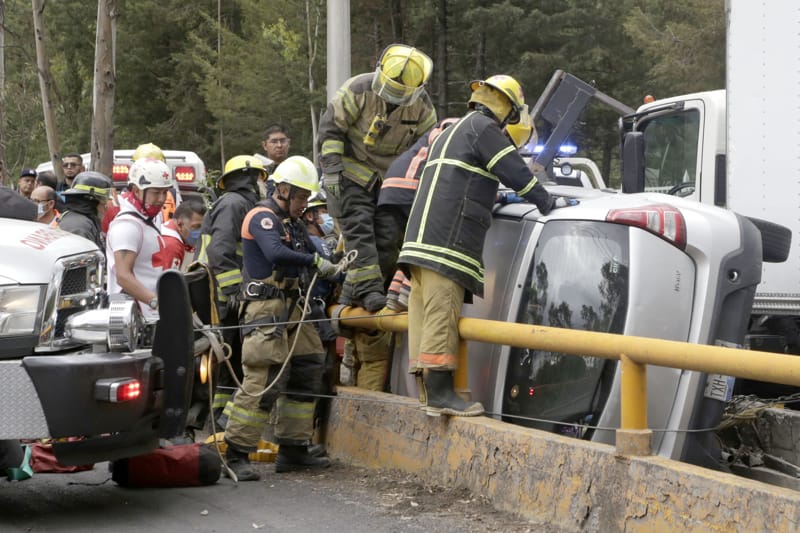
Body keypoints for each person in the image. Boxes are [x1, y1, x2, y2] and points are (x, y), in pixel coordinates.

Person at [398, 74, 576, 417]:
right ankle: (440, 397)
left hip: (418, 245)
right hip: (445, 246)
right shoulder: (484, 129)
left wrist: (493, 196)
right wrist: (548, 202)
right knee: (440, 319)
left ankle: (426, 394)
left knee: (421, 320)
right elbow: (515, 170)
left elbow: (461, 181)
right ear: (508, 106)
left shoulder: (450, 132)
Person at [317, 43, 437, 392]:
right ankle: (369, 292)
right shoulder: (357, 90)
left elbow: (429, 146)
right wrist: (333, 170)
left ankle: (366, 289)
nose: (396, 100)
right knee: (359, 232)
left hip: (391, 180)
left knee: (387, 237)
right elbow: (330, 130)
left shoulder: (423, 108)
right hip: (352, 172)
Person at [222, 156, 339, 480]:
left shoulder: (292, 222)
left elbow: (309, 253)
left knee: (308, 365)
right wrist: (316, 262)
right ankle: (236, 452)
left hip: (293, 306)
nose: (304, 203)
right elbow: (276, 253)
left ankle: (293, 448)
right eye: (301, 197)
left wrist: (335, 264)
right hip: (266, 310)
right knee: (263, 376)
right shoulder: (262, 217)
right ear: (283, 190)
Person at [196, 155, 265, 423]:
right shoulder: (235, 204)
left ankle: (222, 413)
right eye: (259, 178)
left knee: (230, 359)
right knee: (226, 356)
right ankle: (218, 415)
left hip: (228, 294)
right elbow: (220, 249)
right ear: (248, 178)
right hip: (225, 296)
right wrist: (234, 288)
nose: (261, 184)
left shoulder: (242, 203)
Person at [106, 158, 175, 323]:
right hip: (136, 319)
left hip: (151, 316)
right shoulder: (127, 225)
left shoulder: (147, 219)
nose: (161, 199)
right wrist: (155, 302)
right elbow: (123, 276)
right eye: (155, 192)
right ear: (136, 191)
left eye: (164, 192)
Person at [58, 171, 112, 250]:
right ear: (91, 200)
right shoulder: (78, 226)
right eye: (103, 199)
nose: (106, 205)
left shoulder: (85, 220)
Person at [161, 198, 207, 271]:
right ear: (180, 225)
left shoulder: (168, 231)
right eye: (196, 227)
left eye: (202, 226)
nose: (200, 231)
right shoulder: (172, 245)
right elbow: (169, 280)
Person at [254, 124, 292, 198]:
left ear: (289, 143)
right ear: (264, 145)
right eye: (274, 142)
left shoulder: (296, 169)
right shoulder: (259, 172)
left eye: (283, 141)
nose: (279, 145)